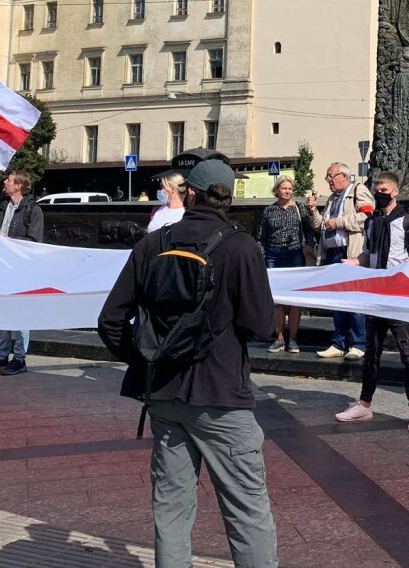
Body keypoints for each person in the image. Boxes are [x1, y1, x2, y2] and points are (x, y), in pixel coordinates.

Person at [96, 158, 277, 568]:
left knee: (172, 509)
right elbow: (262, 326)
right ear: (229, 198)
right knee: (247, 510)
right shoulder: (241, 247)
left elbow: (109, 321)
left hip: (163, 396)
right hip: (222, 395)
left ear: (190, 193)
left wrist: (147, 357)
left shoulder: (152, 244)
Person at [333, 171, 409, 432]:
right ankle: (364, 404)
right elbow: (368, 255)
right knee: (371, 353)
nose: (379, 194)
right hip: (376, 296)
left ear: (395, 191)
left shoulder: (408, 222)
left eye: (384, 190)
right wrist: (352, 263)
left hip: (398, 296)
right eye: (377, 189)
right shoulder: (373, 222)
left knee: (407, 353)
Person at [0, 170, 45, 375]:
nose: (4, 182)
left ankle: (19, 357)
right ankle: (0, 354)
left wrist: (11, 243)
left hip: (20, 269)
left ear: (19, 186)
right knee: (0, 311)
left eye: (9, 180)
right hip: (0, 266)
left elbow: (35, 241)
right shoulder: (1, 205)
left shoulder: (32, 210)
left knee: (20, 312)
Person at [307, 162, 374, 359]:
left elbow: (368, 216)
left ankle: (359, 344)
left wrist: (340, 222)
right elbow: (321, 227)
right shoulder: (332, 199)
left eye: (330, 176)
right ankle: (339, 343)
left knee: (353, 299)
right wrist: (313, 212)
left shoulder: (358, 190)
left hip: (350, 254)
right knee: (336, 301)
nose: (328, 181)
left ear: (343, 176)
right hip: (332, 254)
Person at [254, 176, 313, 353]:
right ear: (277, 190)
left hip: (295, 254)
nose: (287, 191)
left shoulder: (299, 209)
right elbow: (260, 237)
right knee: (277, 300)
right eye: (284, 188)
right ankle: (279, 338)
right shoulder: (268, 211)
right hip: (274, 255)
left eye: (290, 188)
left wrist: (309, 244)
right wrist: (263, 256)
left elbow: (309, 230)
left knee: (294, 300)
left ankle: (293, 339)